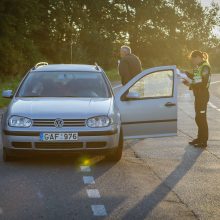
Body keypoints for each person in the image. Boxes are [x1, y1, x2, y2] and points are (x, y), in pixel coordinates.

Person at [183, 50, 211, 148]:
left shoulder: (205, 67)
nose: (192, 62)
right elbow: (196, 78)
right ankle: (199, 138)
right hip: (198, 95)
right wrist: (186, 75)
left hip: (203, 95)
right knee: (198, 118)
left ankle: (203, 141)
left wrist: (191, 83)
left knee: (201, 118)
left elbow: (203, 82)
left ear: (198, 57)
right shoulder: (198, 67)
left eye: (193, 59)